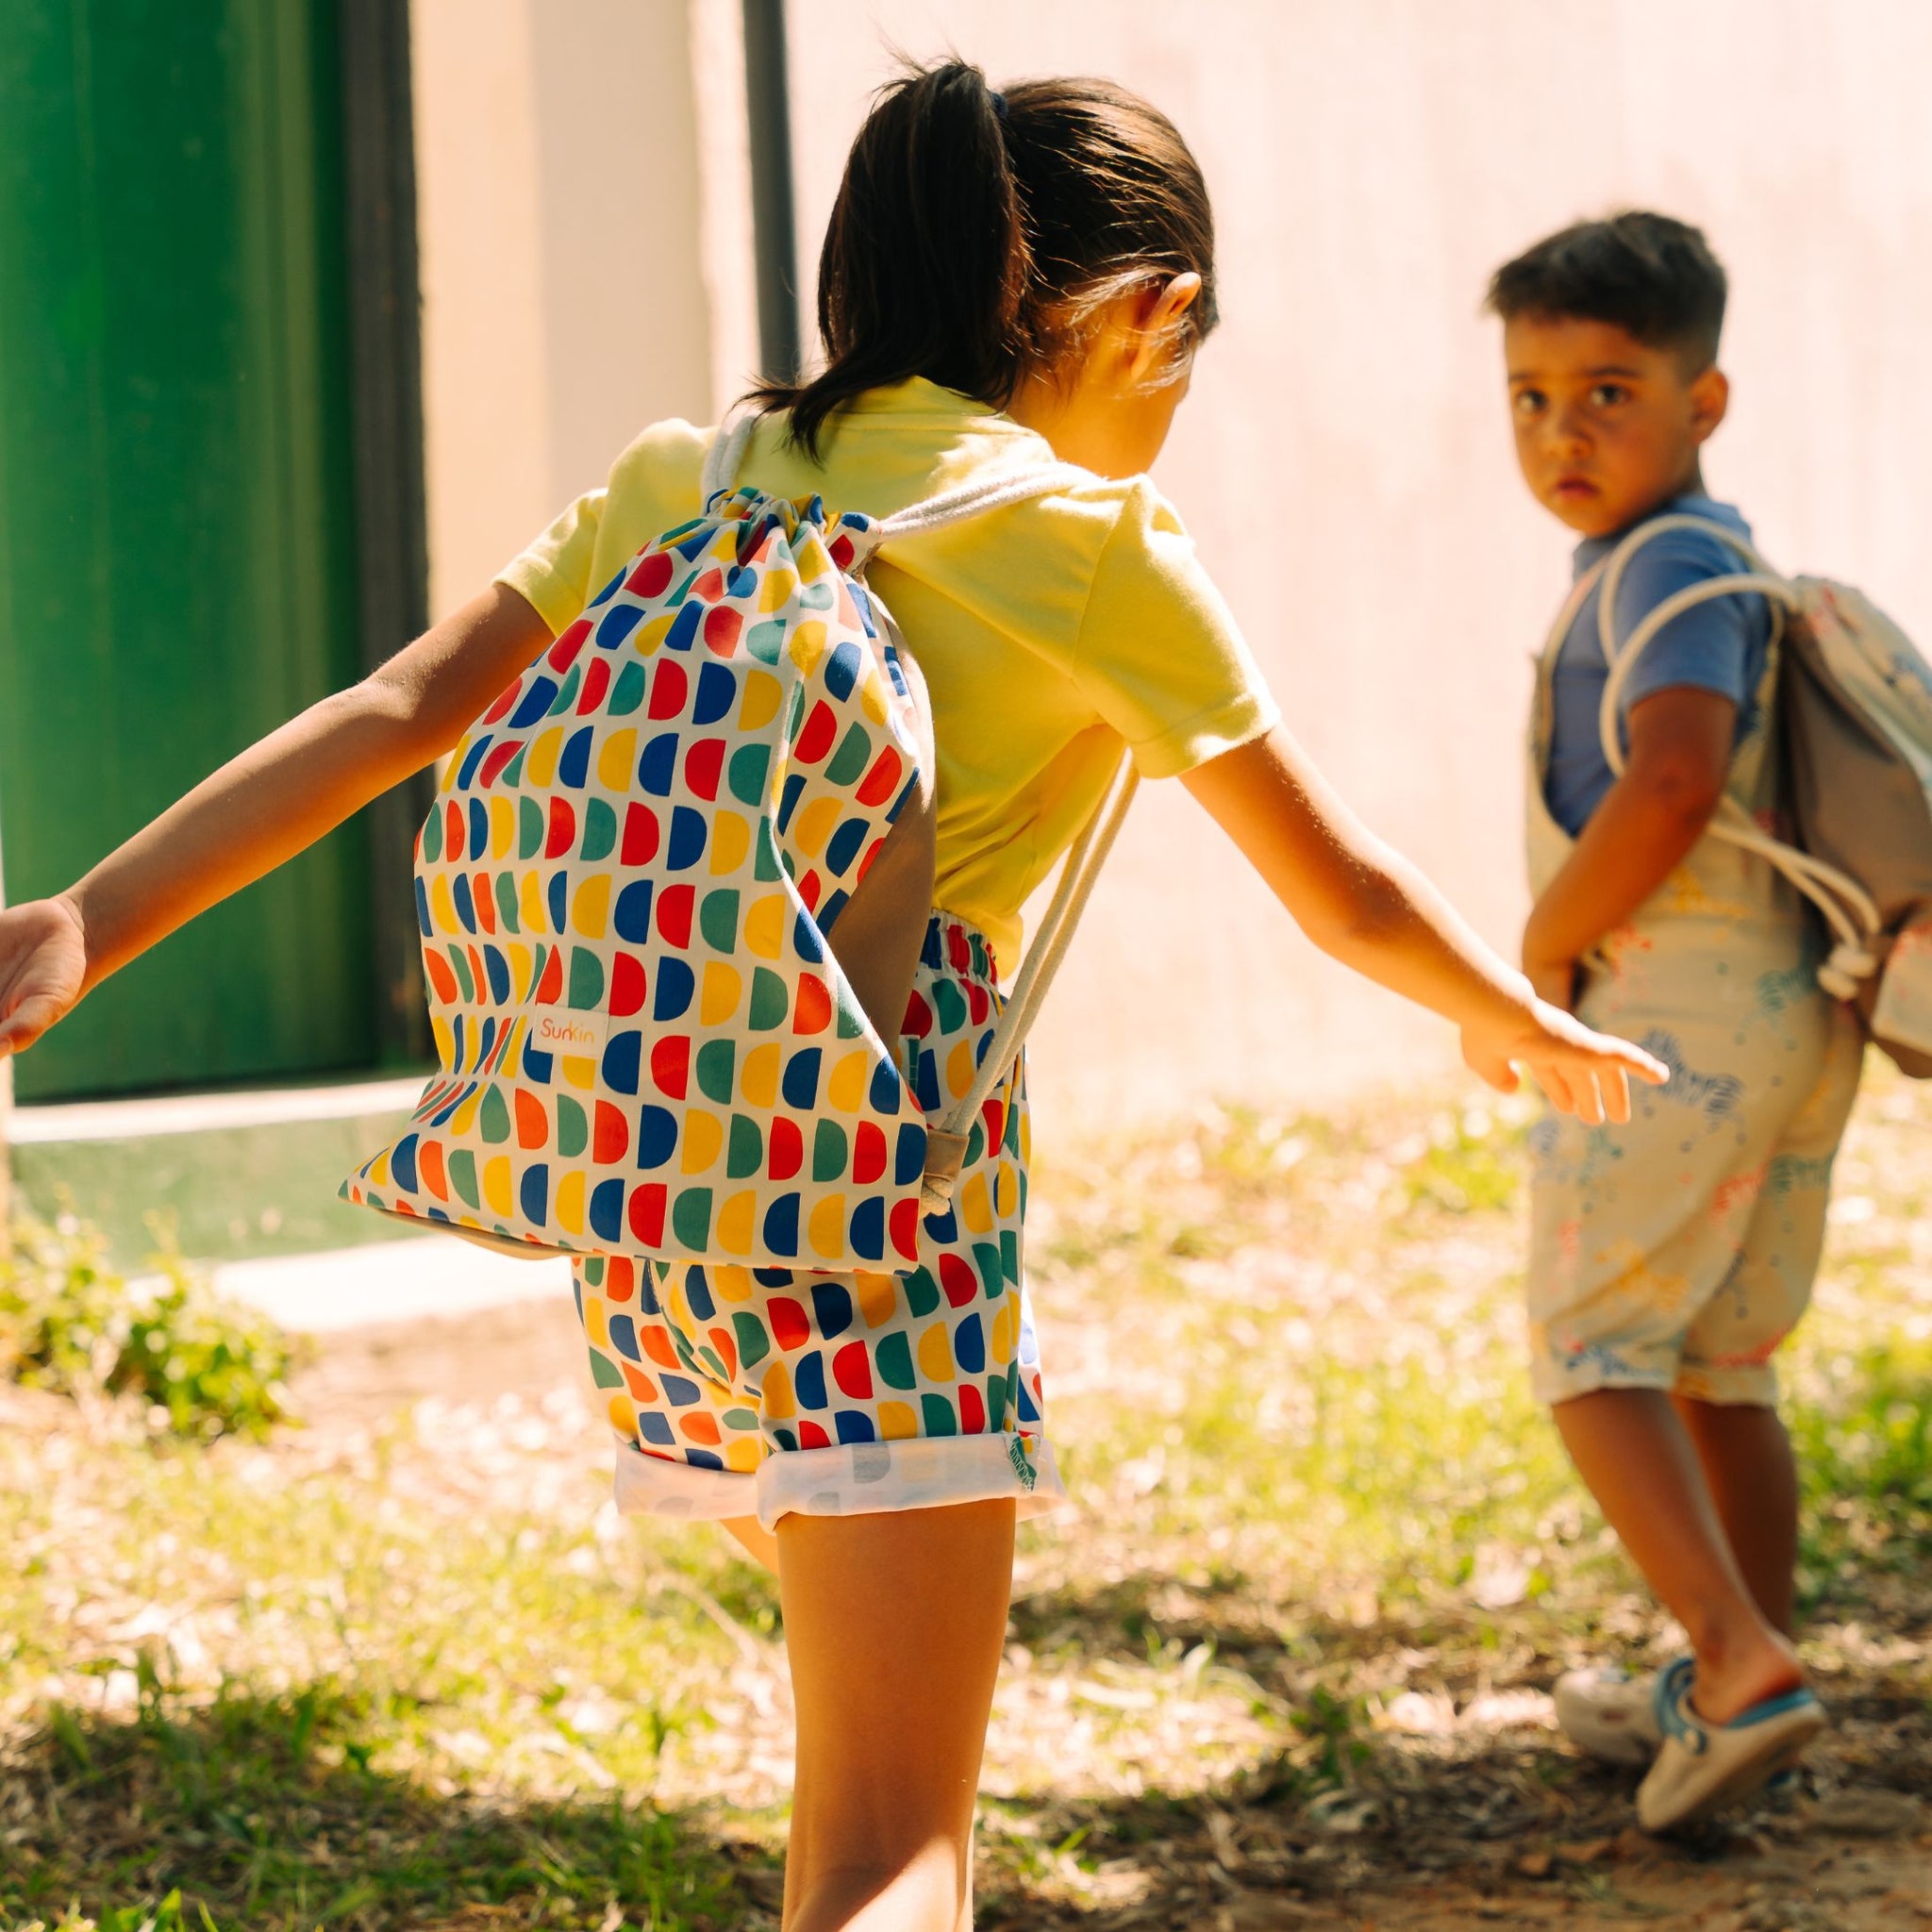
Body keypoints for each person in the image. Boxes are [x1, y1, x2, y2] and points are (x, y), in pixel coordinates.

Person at [0, 65, 1660, 1932]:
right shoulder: (1091, 546)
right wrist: (1506, 1017)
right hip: (884, 1161)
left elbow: (398, 717)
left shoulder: (689, 477)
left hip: (663, 1178)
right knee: (901, 1840)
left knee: (839, 1801)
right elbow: (1343, 888)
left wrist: (85, 916)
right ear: (1151, 317)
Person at [1489, 211, 1864, 1832]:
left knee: (1592, 1348)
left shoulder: (1667, 568)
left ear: (1705, 404)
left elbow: (1672, 776)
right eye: (1529, 397)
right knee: (1723, 1363)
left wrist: (1539, 954)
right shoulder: (1722, 559)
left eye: (1610, 391)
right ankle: (1739, 1673)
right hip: (1789, 1015)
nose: (1563, 433)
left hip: (1669, 1009)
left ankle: (1731, 1662)